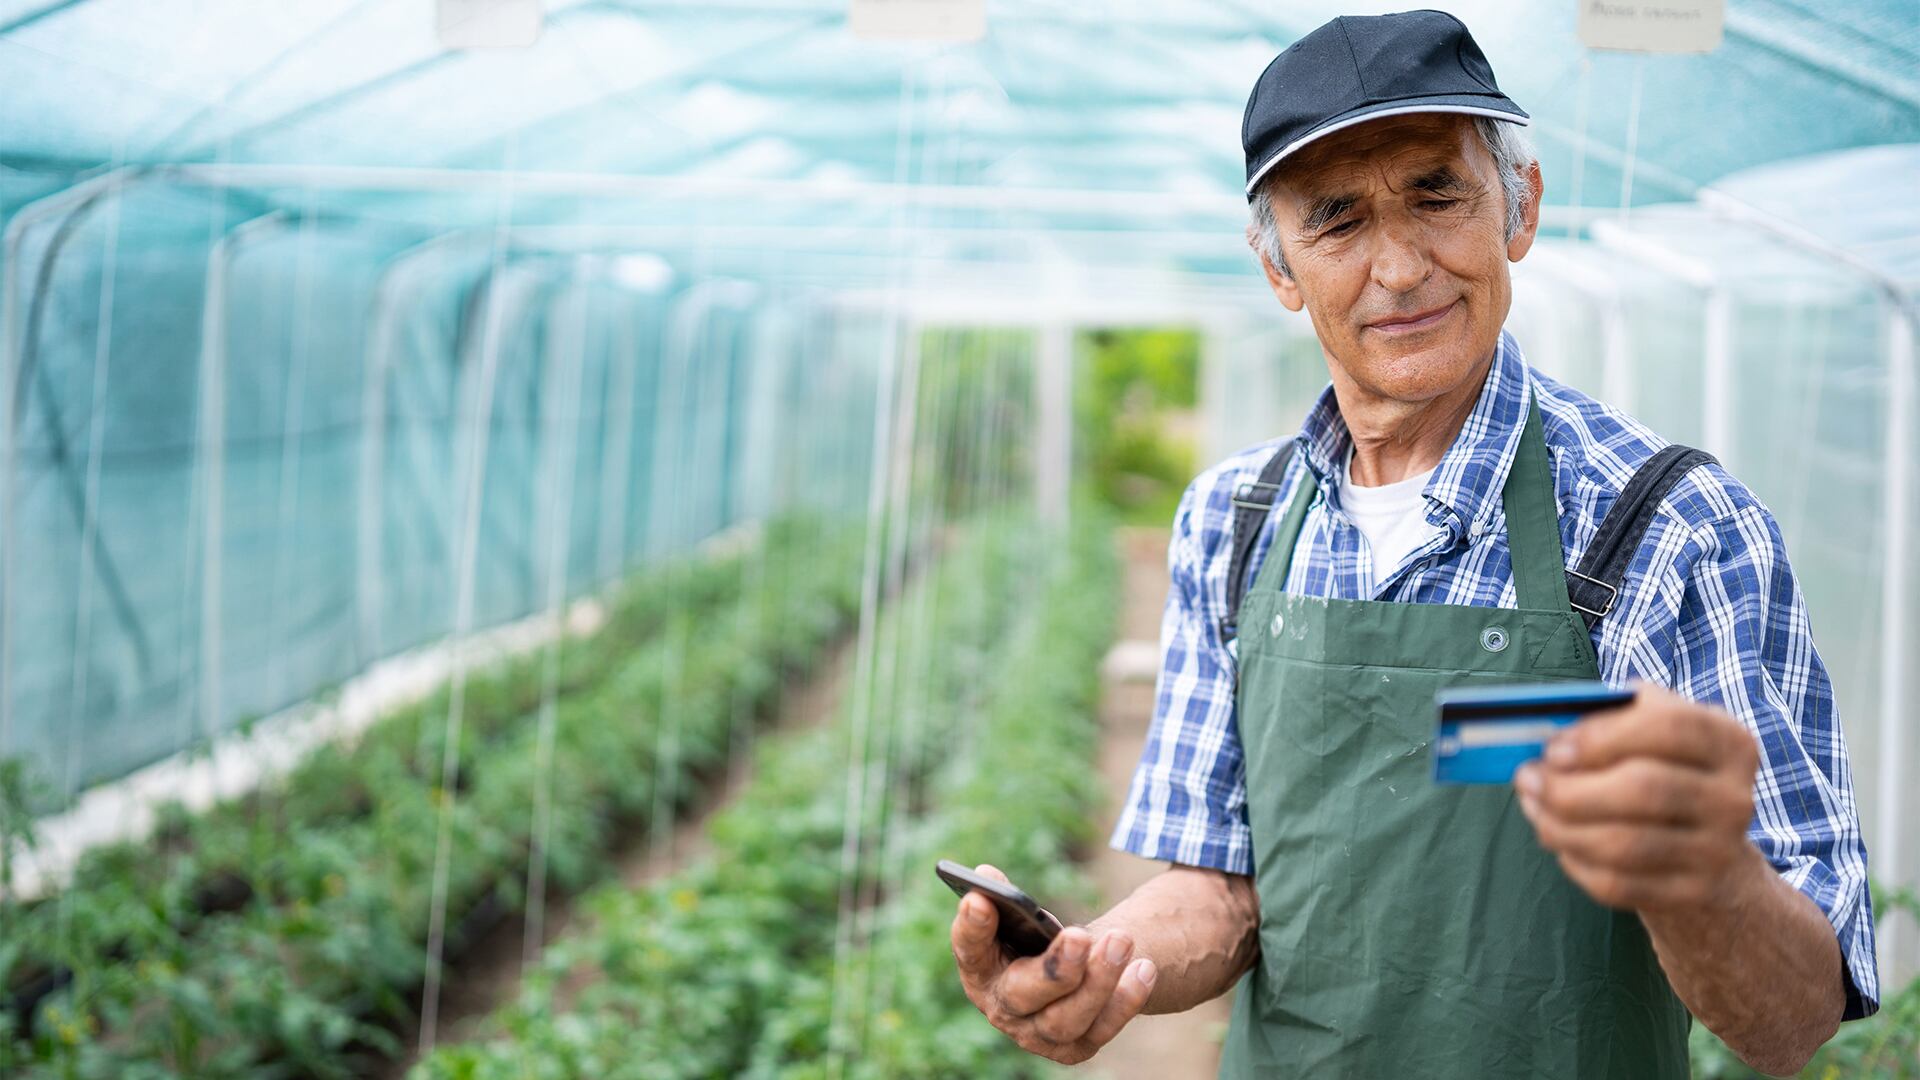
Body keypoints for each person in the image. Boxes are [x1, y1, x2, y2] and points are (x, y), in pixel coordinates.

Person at [946, 11, 1879, 1077]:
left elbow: (1793, 1018)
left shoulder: (1668, 528)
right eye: (1337, 221)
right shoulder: (1234, 522)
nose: (1398, 268)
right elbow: (1226, 887)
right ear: (1280, 268)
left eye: (1437, 194)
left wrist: (1699, 876)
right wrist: (1098, 965)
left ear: (1518, 208)